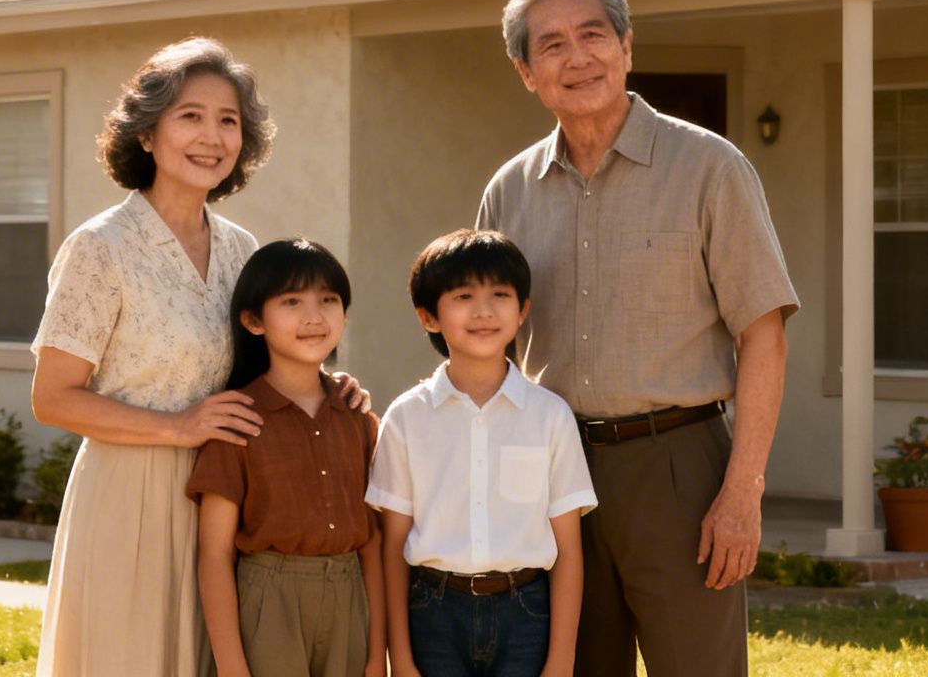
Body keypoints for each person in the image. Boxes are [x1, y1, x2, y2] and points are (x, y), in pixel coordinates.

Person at [475, 0, 799, 677]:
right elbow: (485, 347)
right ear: (526, 71)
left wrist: (742, 492)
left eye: (593, 34)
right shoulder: (509, 192)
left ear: (627, 47)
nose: (577, 56)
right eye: (551, 44)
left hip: (679, 468)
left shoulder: (710, 168)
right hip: (553, 470)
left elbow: (763, 334)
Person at [29, 37, 276, 677]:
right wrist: (179, 427)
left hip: (221, 498)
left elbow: (263, 368)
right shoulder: (100, 247)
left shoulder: (242, 250)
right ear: (147, 133)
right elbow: (52, 398)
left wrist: (332, 391)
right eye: (190, 115)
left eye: (229, 121)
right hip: (126, 501)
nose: (212, 136)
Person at [367, 229, 596, 677]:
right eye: (464, 296)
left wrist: (561, 661)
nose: (484, 310)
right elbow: (392, 546)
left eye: (500, 294)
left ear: (523, 310)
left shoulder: (549, 416)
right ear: (429, 316)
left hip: (526, 614)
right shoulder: (406, 418)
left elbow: (569, 550)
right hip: (432, 613)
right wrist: (403, 658)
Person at [187, 239, 387, 677]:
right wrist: (233, 667)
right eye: (292, 301)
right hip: (269, 600)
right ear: (254, 320)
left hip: (348, 598)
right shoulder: (236, 418)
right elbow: (215, 554)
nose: (314, 317)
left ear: (345, 314)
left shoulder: (357, 416)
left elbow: (373, 542)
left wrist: (377, 656)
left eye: (328, 300)